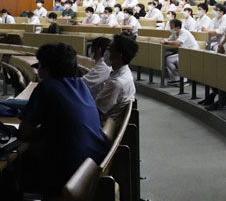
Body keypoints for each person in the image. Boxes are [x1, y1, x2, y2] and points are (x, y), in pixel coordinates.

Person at [18, 43, 107, 198]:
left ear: (46, 68)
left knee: (13, 166)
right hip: (92, 164)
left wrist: (42, 130)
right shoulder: (81, 85)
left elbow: (24, 132)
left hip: (68, 171)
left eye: (40, 65)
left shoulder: (46, 87)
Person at [95, 34, 138, 126]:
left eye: (110, 49)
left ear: (119, 55)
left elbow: (97, 111)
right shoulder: (124, 73)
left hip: (103, 126)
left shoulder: (117, 83)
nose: (106, 52)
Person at [162, 19, 200, 85]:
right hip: (183, 53)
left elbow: (178, 43)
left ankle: (184, 81)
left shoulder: (184, 32)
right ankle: (176, 79)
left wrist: (166, 42)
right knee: (169, 59)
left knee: (179, 60)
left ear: (178, 27)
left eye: (172, 27)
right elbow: (168, 40)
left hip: (192, 52)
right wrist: (164, 41)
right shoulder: (175, 33)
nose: (170, 28)